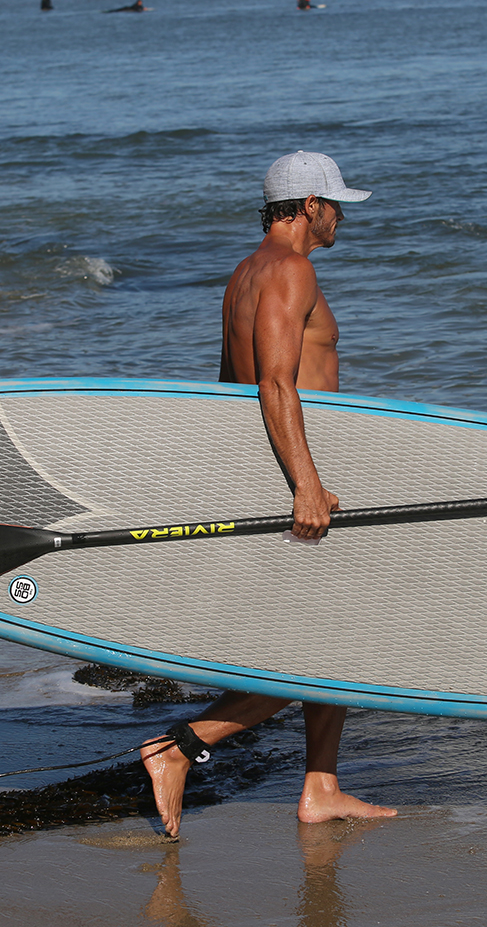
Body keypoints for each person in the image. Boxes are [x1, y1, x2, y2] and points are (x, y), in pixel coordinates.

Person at [140, 151, 398, 838]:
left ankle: (321, 787)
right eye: (337, 202)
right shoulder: (291, 271)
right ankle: (179, 747)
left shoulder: (245, 276)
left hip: (280, 471)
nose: (343, 216)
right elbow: (274, 384)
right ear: (310, 205)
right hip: (296, 478)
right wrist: (306, 485)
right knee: (333, 650)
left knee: (329, 633)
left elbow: (226, 387)